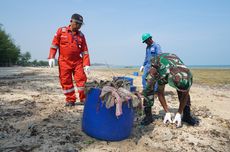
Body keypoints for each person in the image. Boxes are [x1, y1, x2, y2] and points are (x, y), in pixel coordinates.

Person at [141, 53, 198, 127]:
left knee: (182, 90)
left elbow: (185, 94)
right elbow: (160, 93)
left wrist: (179, 113)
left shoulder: (187, 76)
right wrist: (167, 112)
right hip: (158, 62)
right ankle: (148, 116)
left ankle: (187, 115)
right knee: (149, 86)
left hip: (173, 62)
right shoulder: (163, 74)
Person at [48, 13, 90, 107]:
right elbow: (54, 45)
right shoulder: (61, 31)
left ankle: (84, 99)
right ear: (71, 21)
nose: (79, 26)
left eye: (80, 24)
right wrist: (51, 57)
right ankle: (70, 100)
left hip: (77, 62)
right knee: (66, 81)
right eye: (77, 23)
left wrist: (86, 64)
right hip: (64, 62)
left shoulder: (81, 36)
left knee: (81, 81)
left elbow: (85, 51)